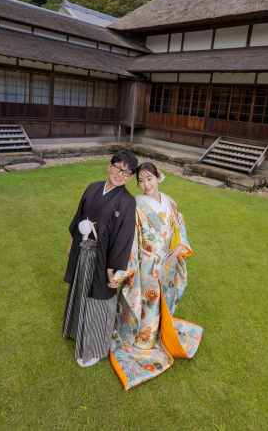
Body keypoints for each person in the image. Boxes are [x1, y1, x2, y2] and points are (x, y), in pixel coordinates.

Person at [109, 162, 203, 390]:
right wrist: (122, 271)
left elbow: (179, 225)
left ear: (158, 177)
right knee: (148, 304)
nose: (145, 184)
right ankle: (142, 342)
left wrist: (179, 246)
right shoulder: (136, 205)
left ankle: (160, 333)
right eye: (141, 181)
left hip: (168, 262)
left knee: (164, 302)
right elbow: (130, 240)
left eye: (149, 179)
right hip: (148, 264)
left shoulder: (170, 201)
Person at [62, 150, 138, 367]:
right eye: (118, 168)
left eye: (126, 172)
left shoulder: (127, 201)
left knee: (99, 300)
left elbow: (124, 237)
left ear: (130, 177)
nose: (120, 174)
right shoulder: (93, 187)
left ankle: (94, 349)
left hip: (104, 258)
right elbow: (80, 216)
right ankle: (76, 331)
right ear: (109, 166)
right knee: (80, 290)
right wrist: (72, 240)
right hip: (83, 250)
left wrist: (113, 267)